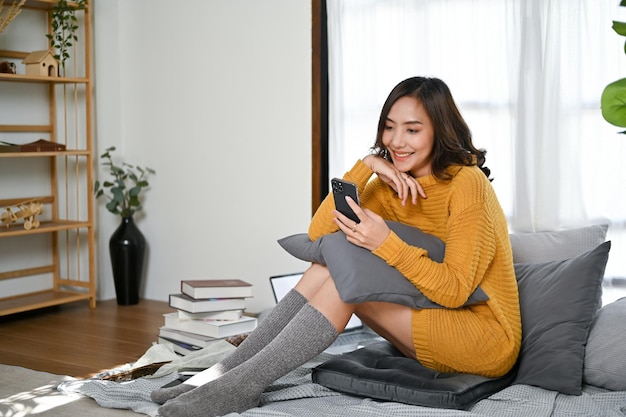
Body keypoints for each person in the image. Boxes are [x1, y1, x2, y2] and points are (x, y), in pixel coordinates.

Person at [151, 76, 522, 417]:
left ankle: (242, 382)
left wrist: (385, 243)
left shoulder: (467, 185)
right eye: (389, 128)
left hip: (482, 339)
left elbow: (456, 290)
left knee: (345, 278)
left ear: (439, 131)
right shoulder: (390, 182)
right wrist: (367, 166)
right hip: (427, 331)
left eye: (412, 129)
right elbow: (320, 234)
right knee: (329, 263)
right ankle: (228, 372)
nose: (396, 141)